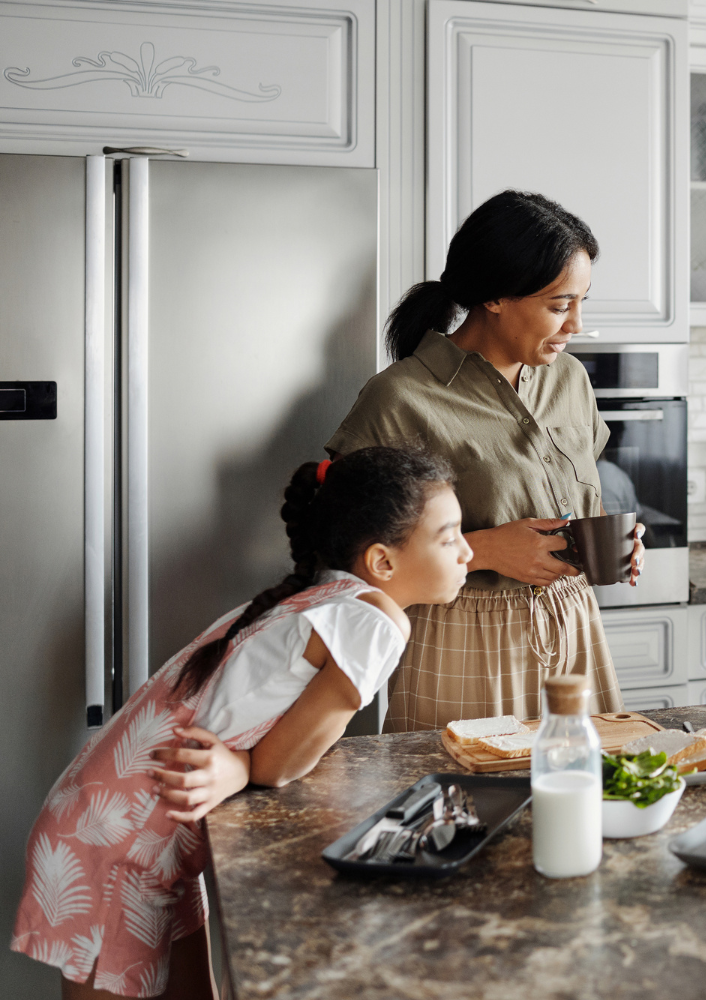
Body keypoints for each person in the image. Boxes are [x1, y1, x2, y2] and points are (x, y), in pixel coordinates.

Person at [10, 447, 471, 999]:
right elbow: (280, 766)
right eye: (450, 537)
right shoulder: (373, 621)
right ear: (382, 562)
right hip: (116, 842)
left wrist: (239, 764)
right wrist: (246, 765)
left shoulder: (325, 594)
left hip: (121, 822)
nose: (468, 552)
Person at [325, 190, 641, 730]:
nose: (576, 325)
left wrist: (613, 543)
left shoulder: (570, 381)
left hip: (575, 625)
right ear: (495, 296)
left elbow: (579, 492)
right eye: (560, 306)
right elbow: (345, 556)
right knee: (466, 805)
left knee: (587, 798)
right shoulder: (401, 397)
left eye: (581, 303)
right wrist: (484, 550)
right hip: (459, 639)